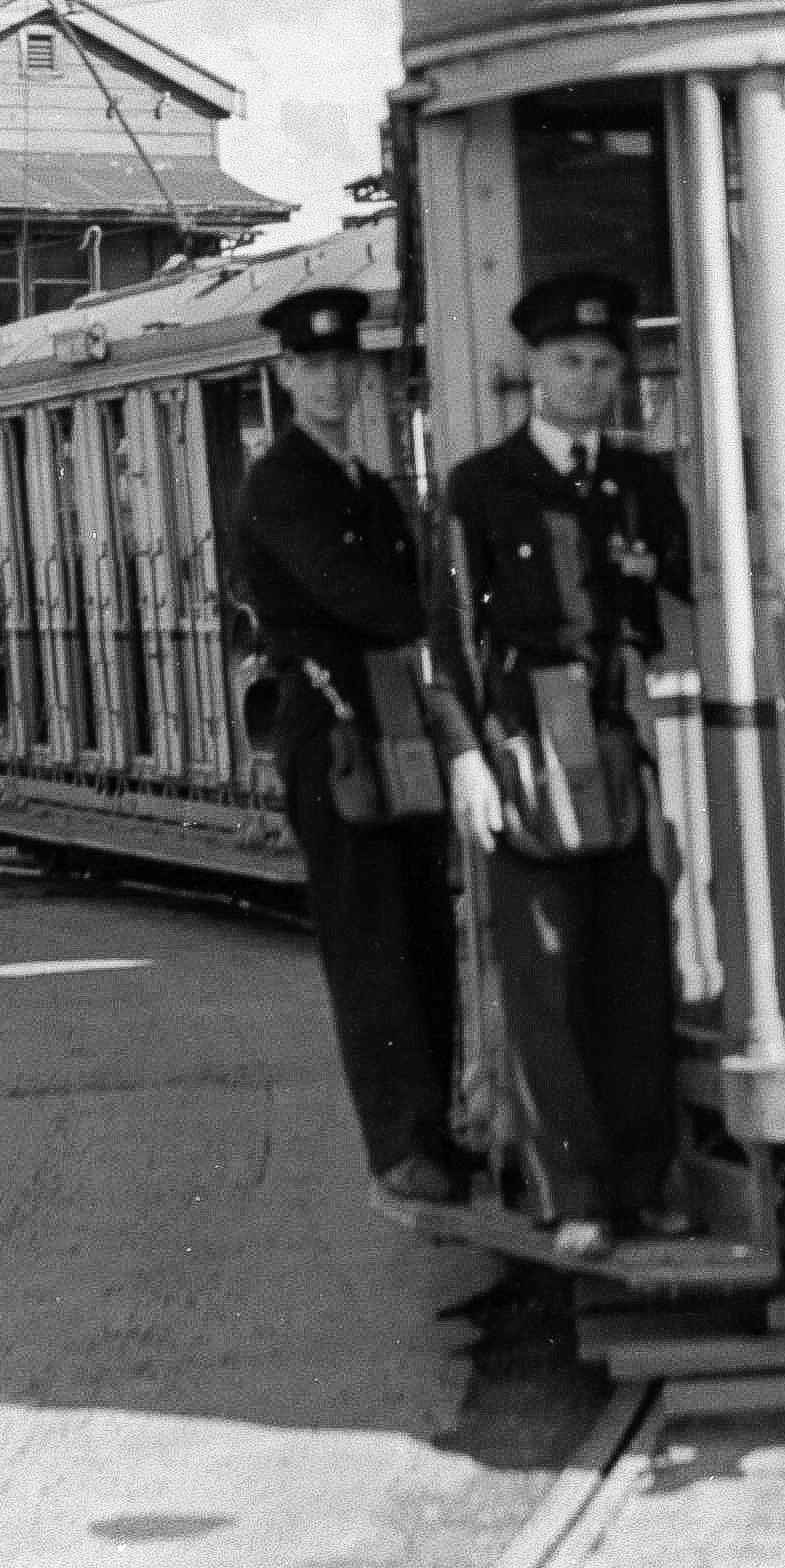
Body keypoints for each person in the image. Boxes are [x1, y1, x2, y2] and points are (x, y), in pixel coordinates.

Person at [430, 269, 692, 1258]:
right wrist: (467, 759)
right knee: (545, 983)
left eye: (602, 363)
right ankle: (576, 1195)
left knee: (636, 978)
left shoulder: (643, 486)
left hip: (624, 758)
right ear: (534, 368)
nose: (585, 378)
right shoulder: (481, 488)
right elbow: (448, 642)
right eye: (567, 361)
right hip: (524, 758)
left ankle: (645, 1183)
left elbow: (688, 594)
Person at [228, 284, 466, 1206]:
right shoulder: (280, 484)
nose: (332, 381)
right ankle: (401, 1145)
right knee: (370, 938)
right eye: (312, 365)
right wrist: (455, 621)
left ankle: (434, 1128)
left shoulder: (360, 484)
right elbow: (358, 593)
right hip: (331, 728)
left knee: (418, 927)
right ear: (287, 375)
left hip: (388, 719)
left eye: (344, 364)